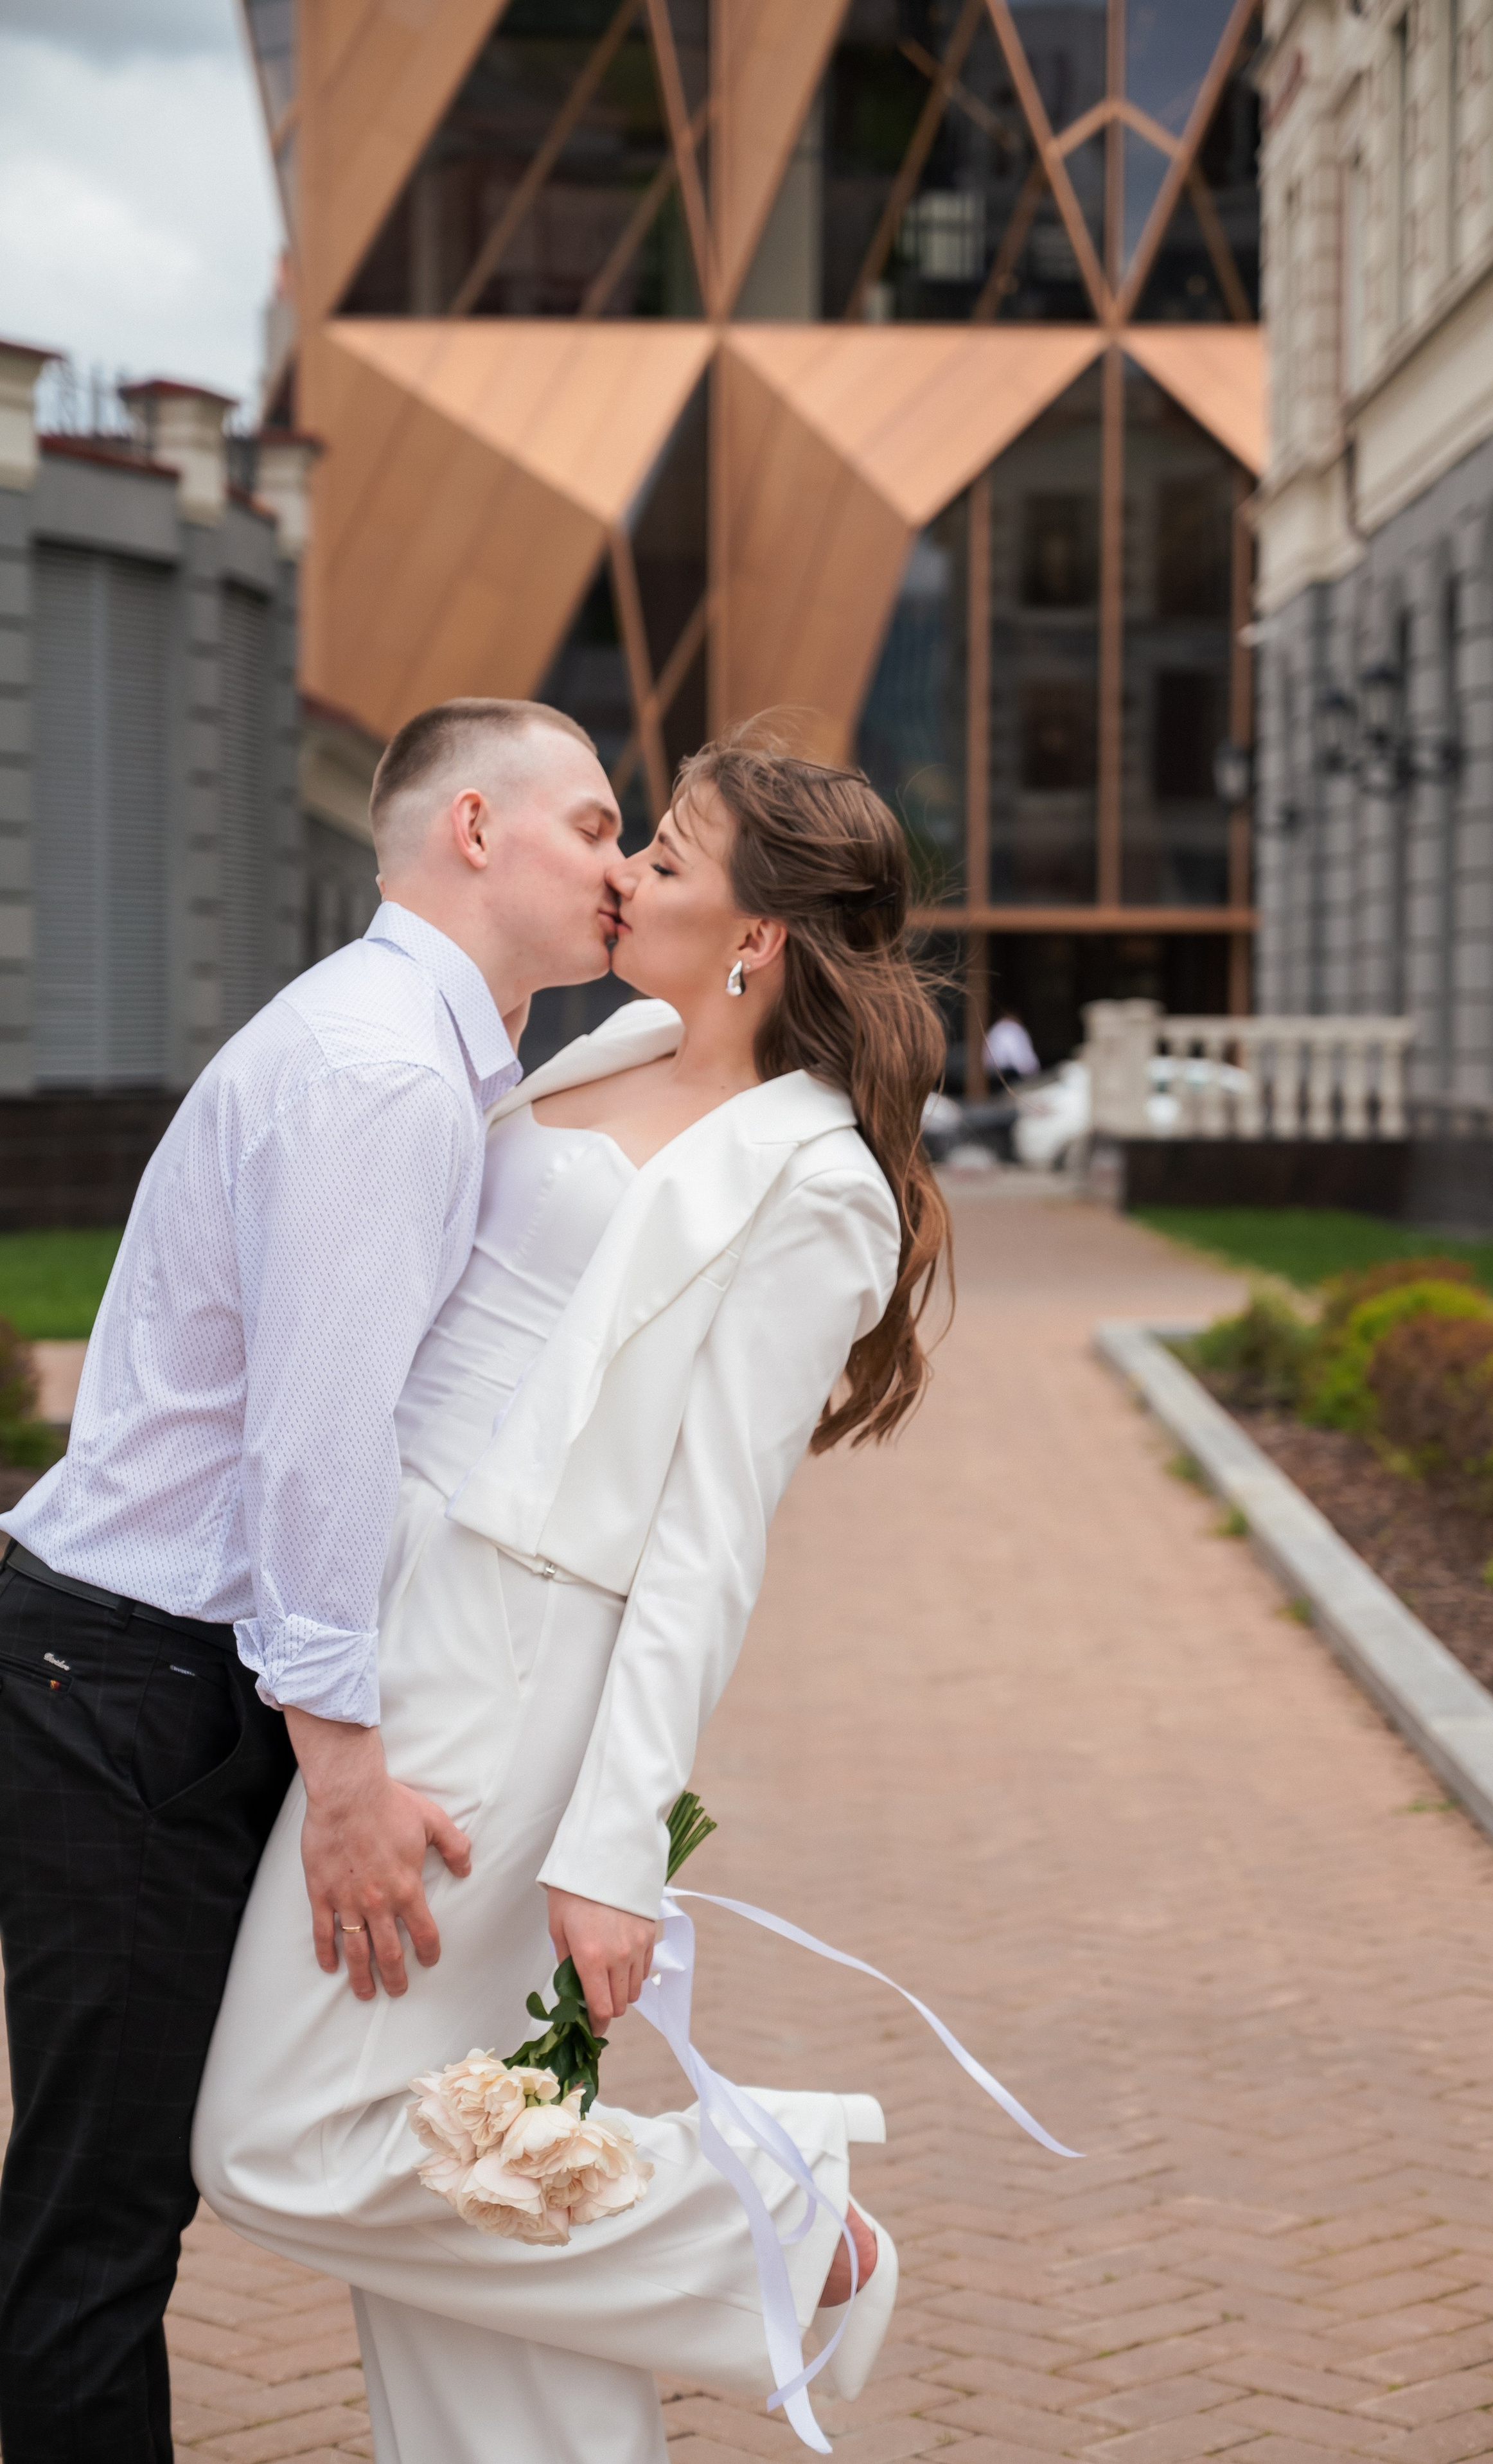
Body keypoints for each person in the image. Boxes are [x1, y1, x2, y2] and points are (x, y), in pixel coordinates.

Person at [193, 734, 952, 2464]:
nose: (627, 875)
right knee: (462, 2150)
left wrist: (616, 1848)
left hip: (510, 1661)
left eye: (666, 855)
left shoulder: (815, 1182)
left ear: (757, 936)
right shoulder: (607, 1045)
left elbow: (709, 1543)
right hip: (398, 1603)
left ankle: (784, 2225)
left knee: (281, 2137)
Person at [0, 699, 624, 2464]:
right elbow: (316, 1438)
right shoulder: (382, 1072)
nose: (623, 859)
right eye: (594, 823)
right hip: (130, 1681)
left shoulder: (417, 1054)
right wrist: (342, 1763)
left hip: (157, 1673)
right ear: (476, 830)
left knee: (125, 2190)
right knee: (99, 2209)